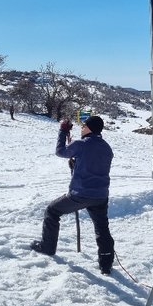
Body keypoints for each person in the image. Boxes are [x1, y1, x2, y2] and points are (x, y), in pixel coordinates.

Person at [30, 116, 115, 275]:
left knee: (52, 211)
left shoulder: (81, 145)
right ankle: (106, 263)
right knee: (102, 228)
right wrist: (77, 162)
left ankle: (47, 247)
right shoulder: (106, 148)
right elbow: (94, 165)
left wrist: (63, 132)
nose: (81, 128)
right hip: (101, 196)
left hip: (80, 194)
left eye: (83, 126)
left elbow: (60, 151)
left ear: (89, 128)